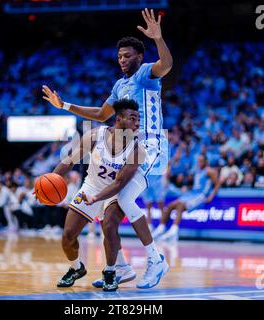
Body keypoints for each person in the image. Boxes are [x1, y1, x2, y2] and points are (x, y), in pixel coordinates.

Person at [42, 8, 172, 288]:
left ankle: (156, 259)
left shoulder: (147, 74)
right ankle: (122, 267)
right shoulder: (119, 84)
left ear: (139, 57)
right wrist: (64, 105)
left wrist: (158, 39)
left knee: (123, 199)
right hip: (127, 147)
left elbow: (167, 64)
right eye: (120, 57)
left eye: (127, 56)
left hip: (150, 146)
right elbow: (102, 115)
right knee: (108, 217)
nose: (122, 60)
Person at [36, 99, 168, 291]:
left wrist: (98, 199)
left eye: (139, 119)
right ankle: (76, 268)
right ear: (119, 118)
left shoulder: (138, 150)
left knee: (109, 225)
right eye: (132, 118)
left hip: (114, 193)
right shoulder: (95, 135)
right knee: (68, 235)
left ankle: (111, 271)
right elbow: (69, 161)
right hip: (90, 186)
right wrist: (49, 182)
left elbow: (120, 183)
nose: (137, 123)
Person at [156, 155, 221, 241]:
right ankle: (161, 228)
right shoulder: (197, 171)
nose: (199, 163)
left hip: (200, 196)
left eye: (201, 161)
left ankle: (174, 231)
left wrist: (211, 196)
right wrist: (188, 188)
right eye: (198, 161)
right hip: (192, 194)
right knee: (170, 206)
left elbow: (218, 183)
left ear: (205, 162)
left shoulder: (209, 171)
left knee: (180, 206)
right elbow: (197, 185)